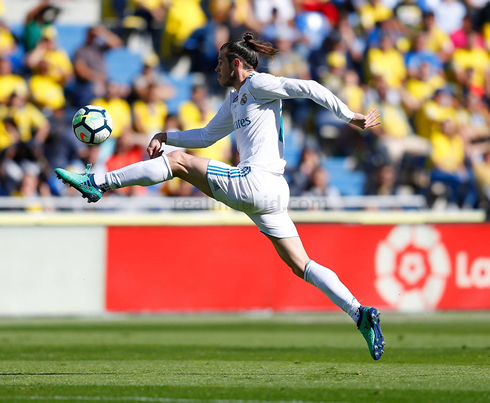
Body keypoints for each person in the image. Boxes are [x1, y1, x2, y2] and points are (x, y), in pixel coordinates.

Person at [55, 32, 385, 360]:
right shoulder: (237, 98)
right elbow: (206, 136)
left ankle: (97, 182)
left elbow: (309, 87)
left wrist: (349, 116)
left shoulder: (258, 84)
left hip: (256, 182)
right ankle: (360, 314)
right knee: (302, 265)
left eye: (220, 63)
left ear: (236, 64)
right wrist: (166, 136)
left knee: (178, 163)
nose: (216, 69)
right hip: (271, 191)